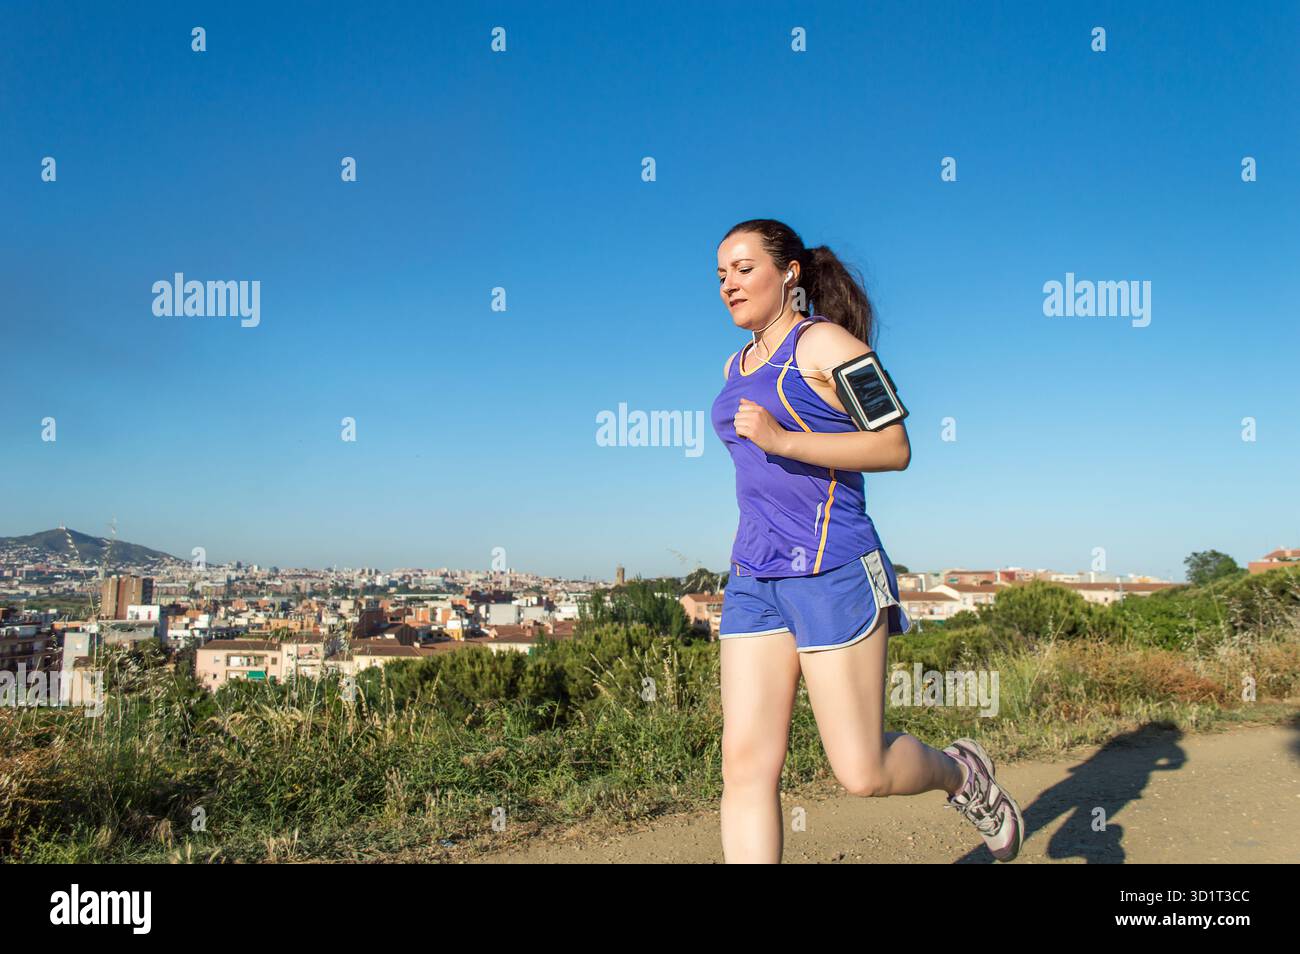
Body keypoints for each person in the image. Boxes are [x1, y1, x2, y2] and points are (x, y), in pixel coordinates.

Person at [709, 218, 1024, 863]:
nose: (729, 286)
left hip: (835, 570)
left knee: (861, 772)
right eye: (720, 276)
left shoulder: (827, 343)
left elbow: (894, 445)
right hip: (754, 576)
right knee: (744, 768)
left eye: (743, 269)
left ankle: (963, 775)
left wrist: (784, 439)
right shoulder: (734, 364)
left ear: (788, 273)